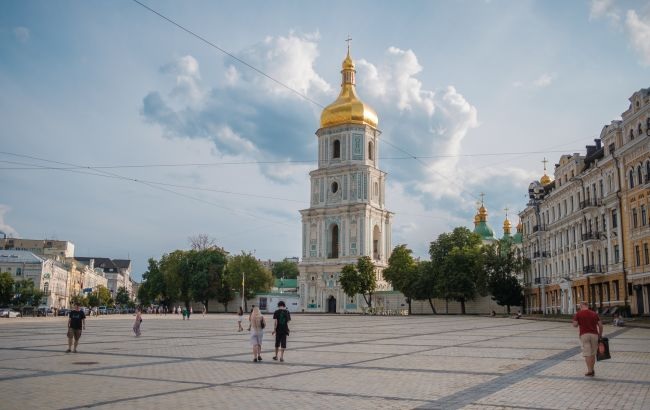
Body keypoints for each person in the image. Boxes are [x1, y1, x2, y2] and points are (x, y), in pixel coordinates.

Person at [572, 301, 603, 377]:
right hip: (594, 335)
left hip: (584, 335)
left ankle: (590, 371)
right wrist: (600, 335)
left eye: (580, 306)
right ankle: (592, 369)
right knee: (593, 353)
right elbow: (600, 325)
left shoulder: (578, 314)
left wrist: (577, 322)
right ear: (587, 306)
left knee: (587, 353)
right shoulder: (594, 313)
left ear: (581, 306)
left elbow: (575, 325)